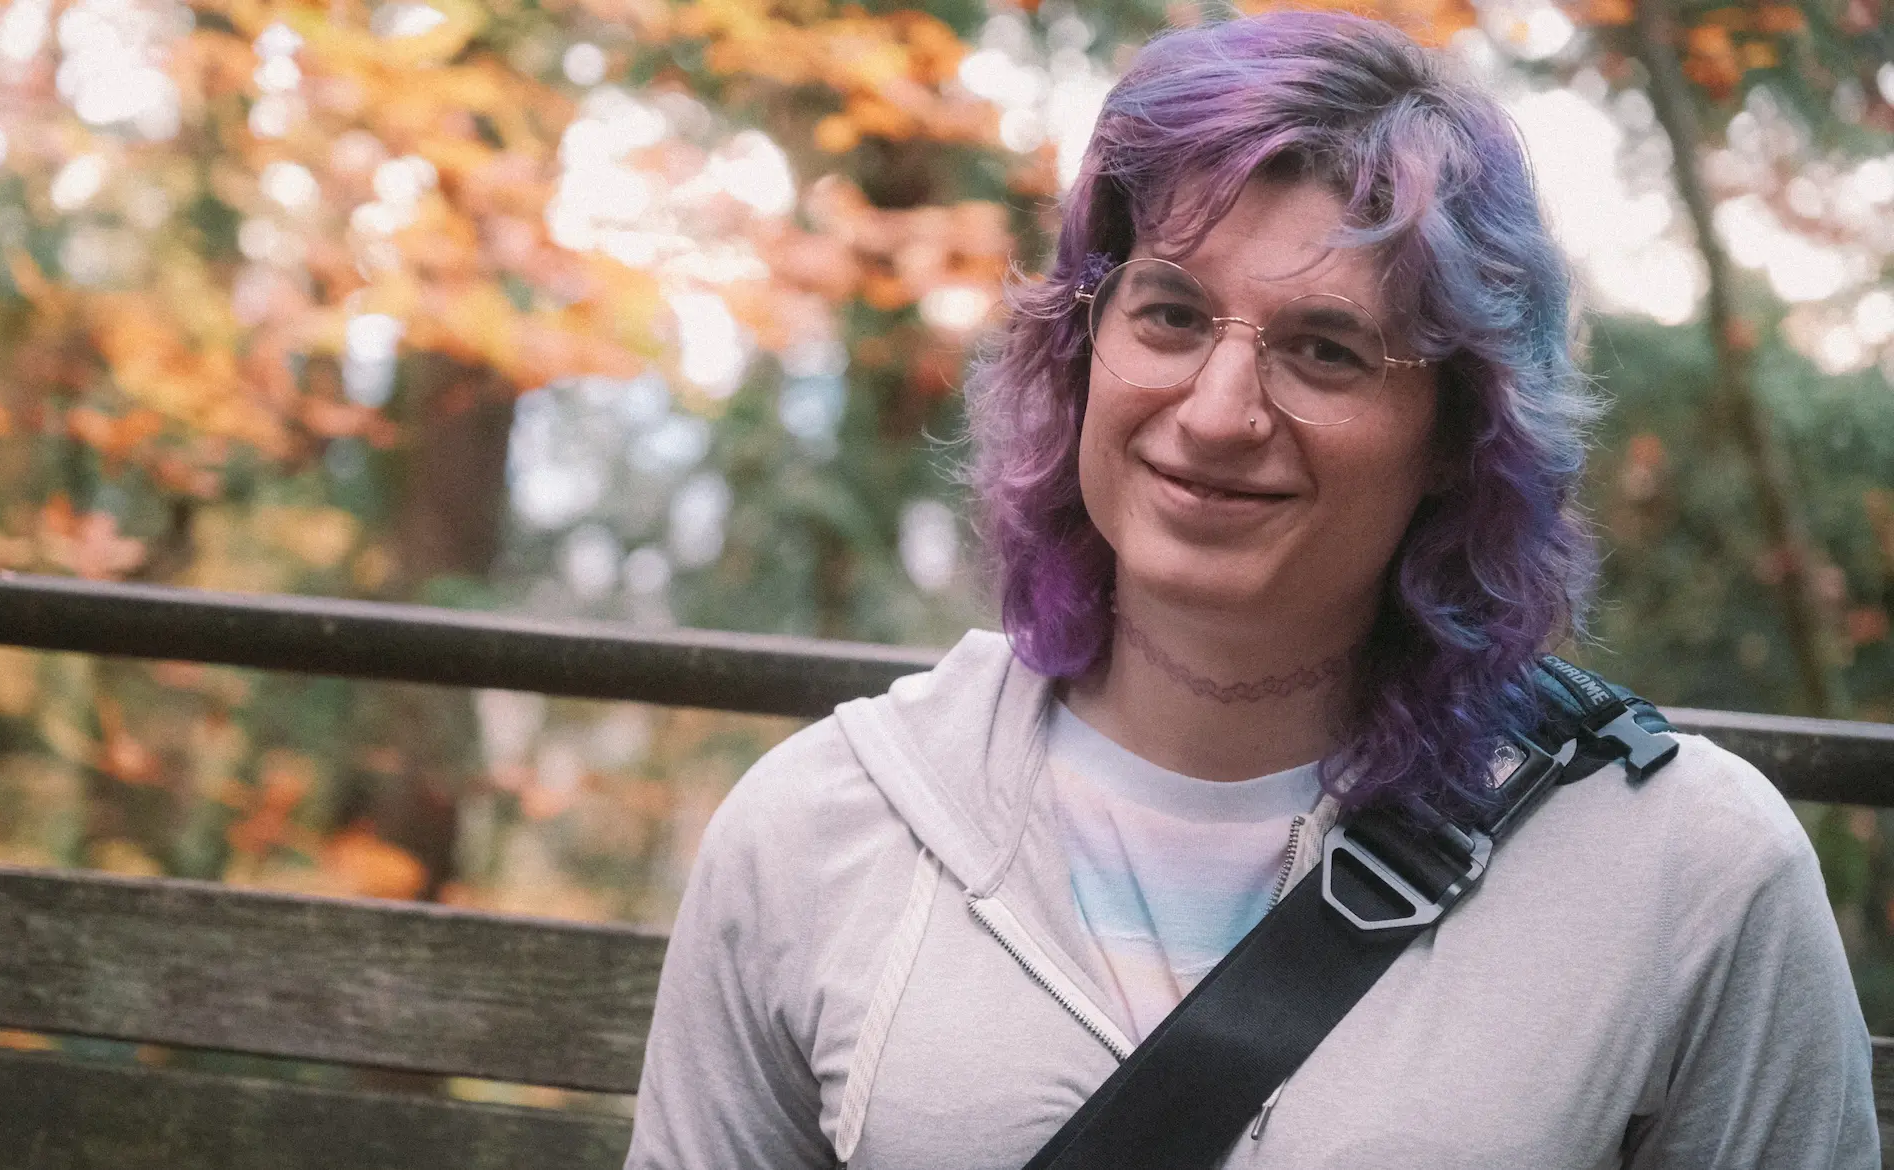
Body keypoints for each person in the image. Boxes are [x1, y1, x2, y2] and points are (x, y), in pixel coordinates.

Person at [625, 11, 1878, 1169]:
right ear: (1083, 348)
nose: (1216, 416)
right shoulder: (822, 833)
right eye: (1169, 314)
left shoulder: (1686, 877)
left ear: (1455, 434)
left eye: (1325, 350)